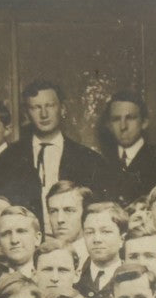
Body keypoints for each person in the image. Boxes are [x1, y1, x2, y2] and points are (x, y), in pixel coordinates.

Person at [20, 80, 120, 214]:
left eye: (50, 105)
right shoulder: (11, 157)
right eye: (36, 107)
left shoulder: (90, 160)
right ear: (26, 114)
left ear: (62, 109)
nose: (44, 114)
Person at [43, 182, 91, 272]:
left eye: (69, 210)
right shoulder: (44, 259)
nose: (60, 219)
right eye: (53, 211)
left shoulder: (96, 257)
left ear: (85, 214)